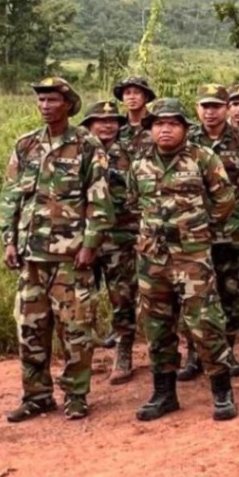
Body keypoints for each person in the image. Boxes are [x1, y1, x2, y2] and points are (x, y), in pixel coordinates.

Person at [0, 77, 114, 422]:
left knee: (76, 329)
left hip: (70, 257)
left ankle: (76, 395)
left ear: (68, 105)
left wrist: (90, 244)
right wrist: (8, 240)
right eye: (41, 100)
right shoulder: (26, 145)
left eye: (52, 100)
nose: (45, 106)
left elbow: (99, 200)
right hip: (31, 256)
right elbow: (10, 196)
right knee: (30, 328)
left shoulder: (87, 145)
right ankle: (37, 395)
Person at [132, 98, 239, 422]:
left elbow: (224, 199)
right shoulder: (139, 163)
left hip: (192, 257)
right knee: (156, 326)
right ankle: (164, 393)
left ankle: (222, 391)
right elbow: (133, 202)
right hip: (152, 259)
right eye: (158, 124)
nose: (165, 129)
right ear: (150, 129)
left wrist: (200, 230)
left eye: (173, 124)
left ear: (184, 128)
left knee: (205, 323)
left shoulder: (202, 157)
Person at [181, 84, 239, 381]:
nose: (210, 112)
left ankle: (227, 352)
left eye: (216, 106)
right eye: (205, 106)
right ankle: (195, 355)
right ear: (197, 109)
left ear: (226, 108)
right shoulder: (187, 140)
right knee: (194, 296)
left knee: (231, 292)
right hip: (194, 230)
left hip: (231, 231)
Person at [79, 100, 139, 384]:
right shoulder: (78, 154)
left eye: (112, 120)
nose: (107, 125)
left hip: (120, 237)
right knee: (81, 298)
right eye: (100, 121)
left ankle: (124, 353)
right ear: (89, 125)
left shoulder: (129, 154)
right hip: (83, 239)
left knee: (122, 296)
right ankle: (83, 354)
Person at [113, 76, 157, 158]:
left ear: (146, 97)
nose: (132, 97)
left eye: (137, 93)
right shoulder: (118, 126)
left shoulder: (157, 124)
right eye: (127, 93)